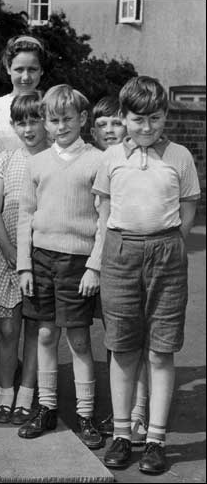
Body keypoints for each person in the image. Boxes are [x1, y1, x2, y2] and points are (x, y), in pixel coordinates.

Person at [97, 77, 200, 474]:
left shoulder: (179, 156)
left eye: (155, 118)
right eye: (138, 119)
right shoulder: (111, 158)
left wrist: (171, 242)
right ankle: (122, 434)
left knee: (161, 348)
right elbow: (104, 208)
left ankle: (155, 439)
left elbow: (188, 205)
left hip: (166, 253)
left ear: (165, 117)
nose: (146, 127)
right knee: (123, 347)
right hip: (121, 252)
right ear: (123, 118)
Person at [16, 84, 104, 450]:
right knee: (46, 335)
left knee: (79, 338)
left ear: (82, 119)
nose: (61, 125)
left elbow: (104, 219)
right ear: (46, 123)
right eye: (54, 120)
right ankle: (47, 407)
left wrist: (94, 267)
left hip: (78, 262)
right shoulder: (35, 163)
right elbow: (25, 215)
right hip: (41, 260)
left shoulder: (98, 161)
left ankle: (86, 414)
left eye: (68, 118)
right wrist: (23, 265)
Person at [0, 93, 47, 425]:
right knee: (8, 329)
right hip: (6, 253)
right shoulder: (5, 159)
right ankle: (6, 394)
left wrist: (32, 258)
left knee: (36, 329)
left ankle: (26, 395)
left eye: (35, 120)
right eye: (21, 122)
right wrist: (9, 252)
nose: (28, 128)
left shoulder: (53, 158)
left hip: (41, 255)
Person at [88, 95, 142, 440]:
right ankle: (116, 412)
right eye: (102, 124)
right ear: (93, 131)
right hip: (96, 257)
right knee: (112, 340)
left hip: (122, 257)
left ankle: (135, 414)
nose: (109, 129)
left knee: (130, 341)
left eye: (116, 122)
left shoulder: (133, 161)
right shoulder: (97, 160)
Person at [0, 35, 48, 153]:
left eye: (32, 69)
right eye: (19, 69)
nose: (26, 77)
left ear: (41, 70)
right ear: (8, 68)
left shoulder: (50, 104)